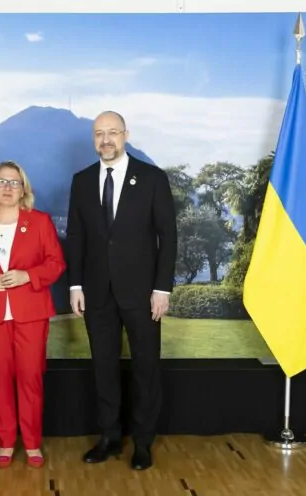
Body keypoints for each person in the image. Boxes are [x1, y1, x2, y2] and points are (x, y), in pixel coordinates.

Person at [65, 111, 177, 470]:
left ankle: (143, 442)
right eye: (99, 133)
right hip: (96, 292)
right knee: (104, 368)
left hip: (143, 293)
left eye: (112, 132)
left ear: (125, 135)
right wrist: (76, 284)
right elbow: (76, 236)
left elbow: (168, 236)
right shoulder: (82, 181)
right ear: (93, 138)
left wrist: (162, 288)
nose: (106, 140)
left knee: (146, 368)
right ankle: (109, 437)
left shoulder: (152, 178)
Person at [0, 160, 66, 469]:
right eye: (1, 182)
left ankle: (31, 443)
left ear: (23, 190)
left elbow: (56, 263)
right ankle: (6, 441)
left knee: (30, 378)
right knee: (0, 379)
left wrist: (27, 275)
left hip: (30, 312)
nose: (7, 187)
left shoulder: (40, 222)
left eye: (14, 182)